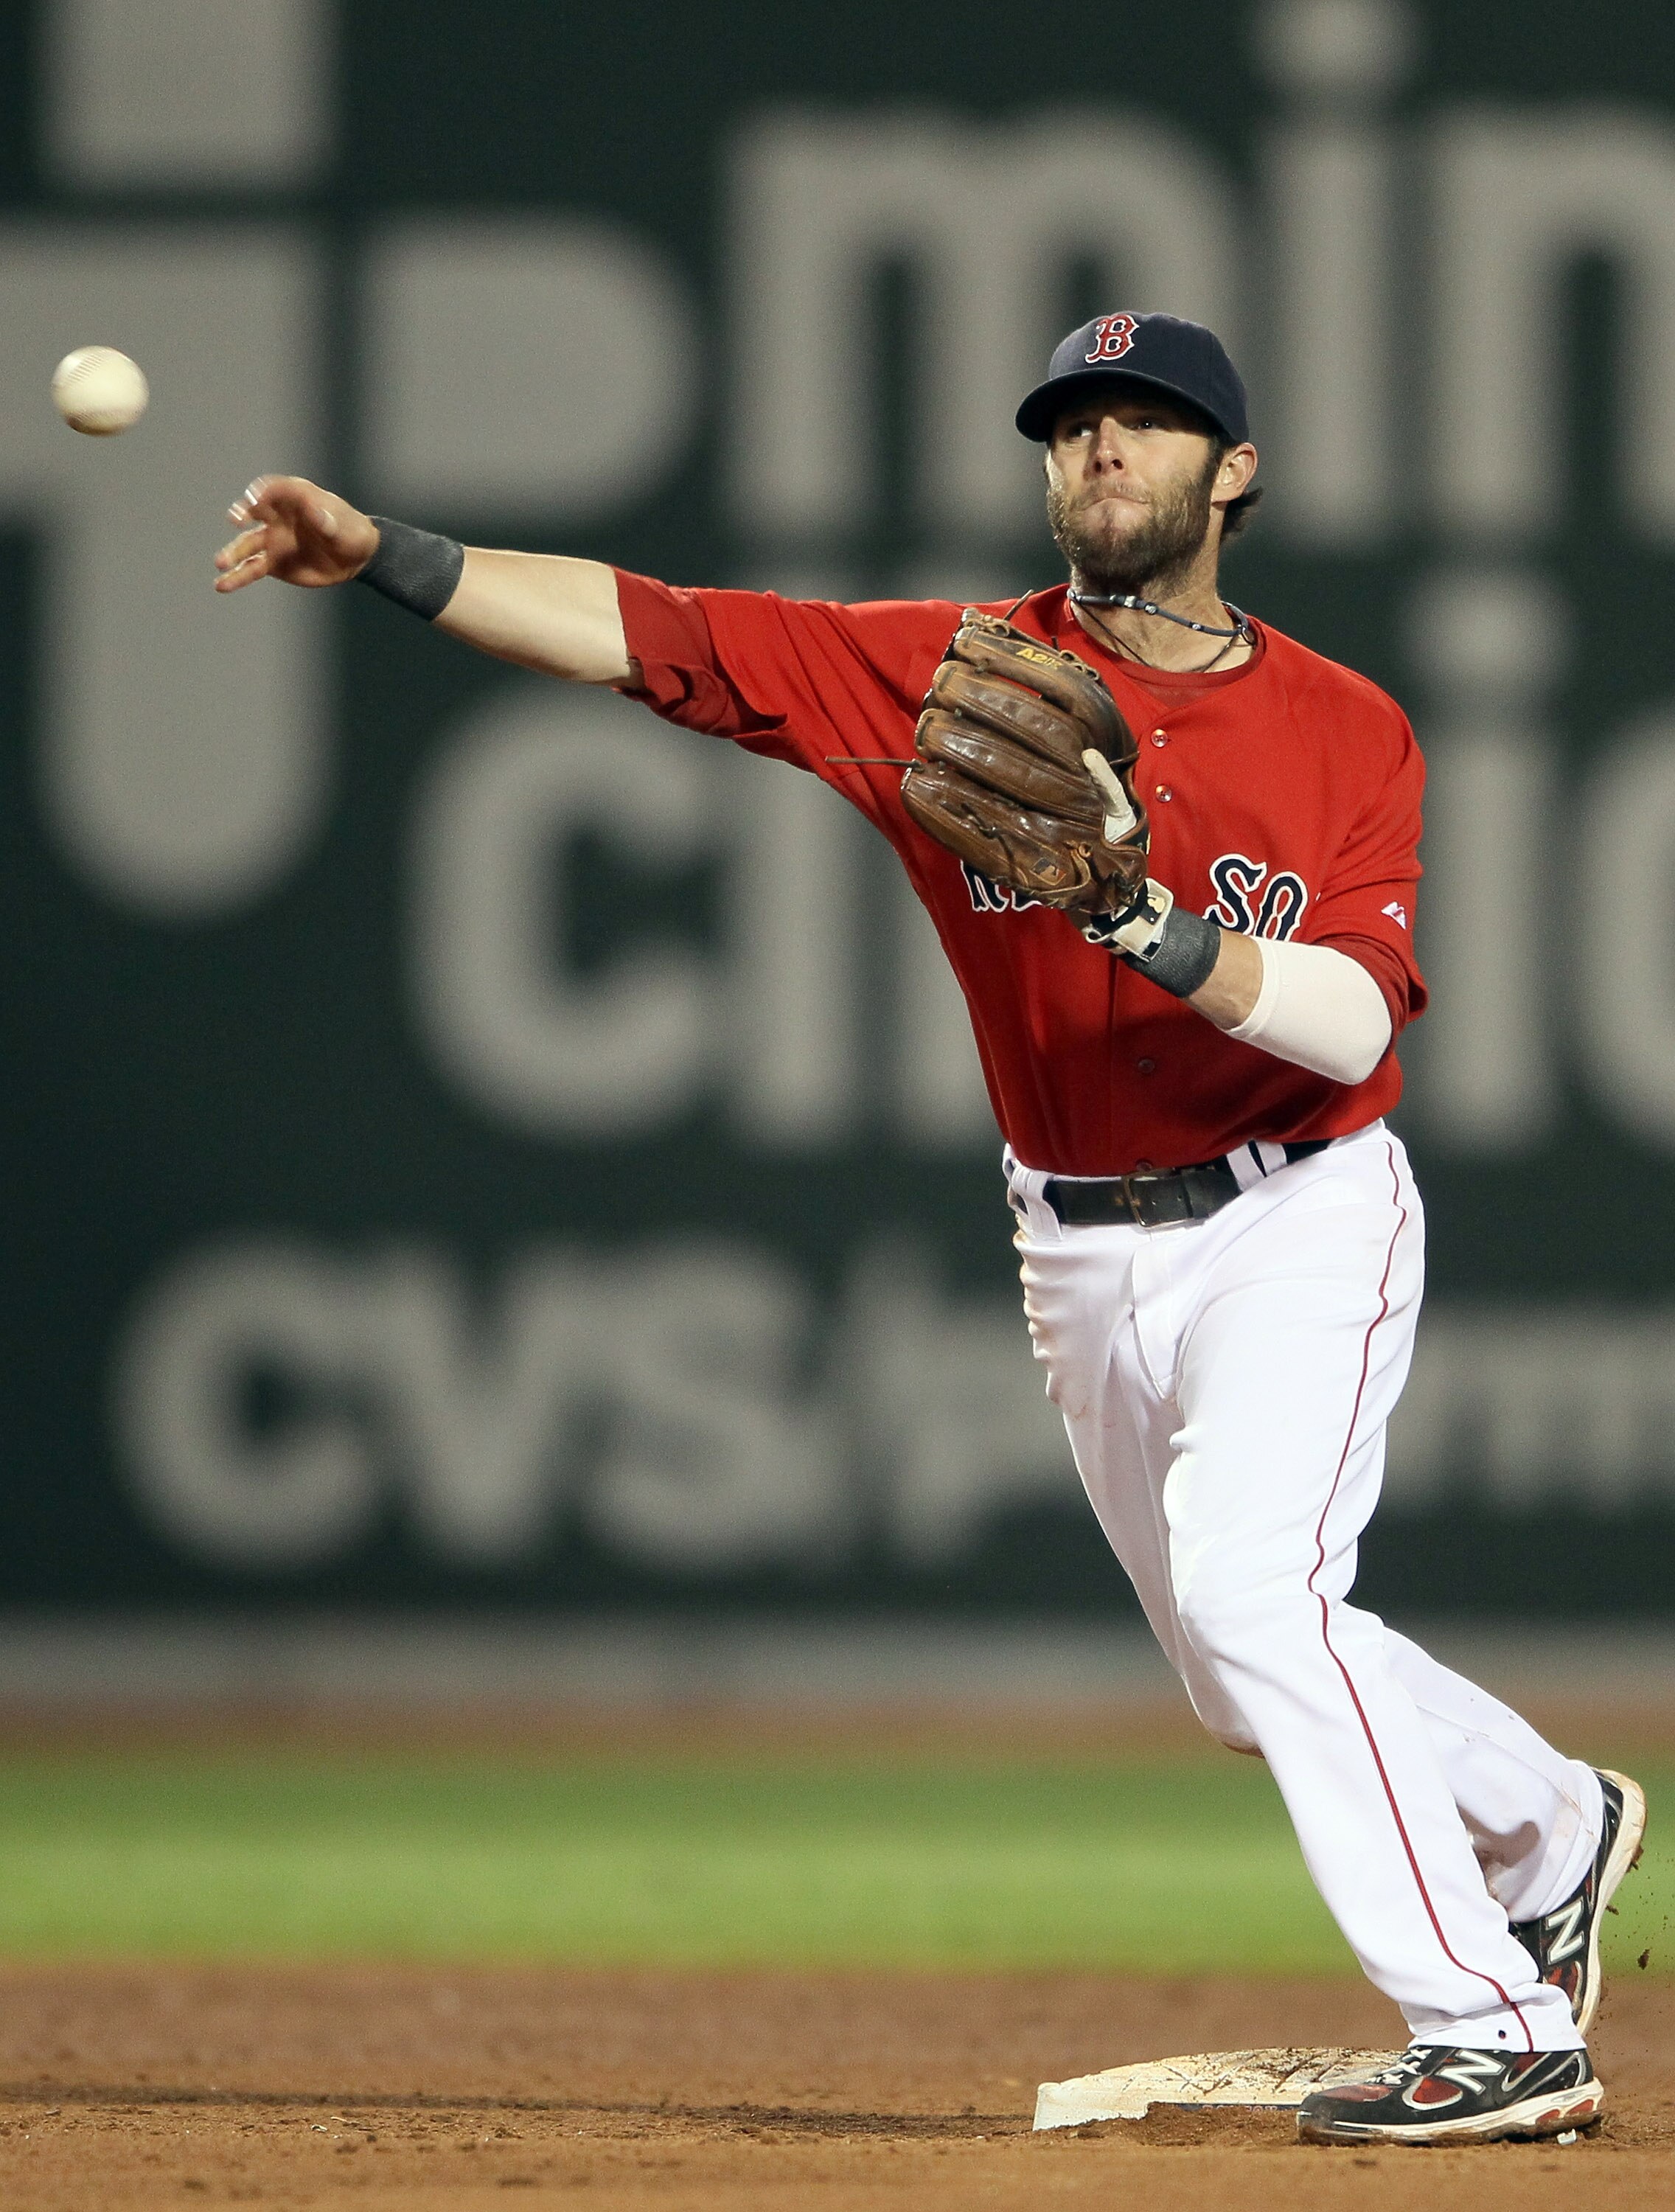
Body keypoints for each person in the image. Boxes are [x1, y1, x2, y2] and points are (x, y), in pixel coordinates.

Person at [215, 309, 1643, 2148]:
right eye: (1073, 427)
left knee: (1249, 1594)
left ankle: (1493, 2023)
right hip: (1073, 1235)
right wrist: (388, 559)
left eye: (1146, 423)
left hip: (1298, 1206)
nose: (1102, 451)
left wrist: (1145, 928)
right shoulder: (945, 674)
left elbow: (1358, 1025)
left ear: (1236, 472)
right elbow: (647, 631)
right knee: (1236, 1671)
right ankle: (1546, 1821)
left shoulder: (1342, 727)